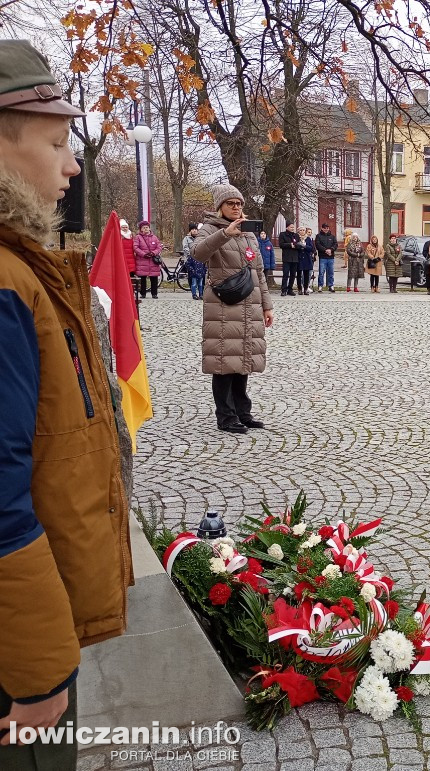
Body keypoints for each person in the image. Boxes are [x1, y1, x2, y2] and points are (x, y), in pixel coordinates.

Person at [0, 40, 131, 769]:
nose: (72, 164)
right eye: (55, 143)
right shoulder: (4, 282)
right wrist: (39, 667)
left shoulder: (20, 267)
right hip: (18, 650)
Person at [192, 184, 274, 433]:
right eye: (231, 204)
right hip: (225, 305)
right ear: (220, 206)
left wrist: (267, 306)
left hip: (249, 304)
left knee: (243, 360)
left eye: (239, 203)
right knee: (224, 362)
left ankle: (242, 413)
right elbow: (197, 254)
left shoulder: (248, 233)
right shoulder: (209, 228)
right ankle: (226, 417)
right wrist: (225, 233)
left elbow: (258, 272)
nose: (236, 208)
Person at [133, 220, 163, 298]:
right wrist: (144, 254)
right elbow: (135, 247)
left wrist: (153, 253)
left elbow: (159, 247)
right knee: (143, 278)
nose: (146, 229)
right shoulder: (138, 237)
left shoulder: (154, 237)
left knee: (154, 278)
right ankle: (143, 293)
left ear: (149, 228)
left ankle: (154, 293)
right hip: (142, 261)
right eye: (144, 227)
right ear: (141, 229)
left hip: (153, 261)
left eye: (147, 227)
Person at [278, 222, 300, 297]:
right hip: (287, 257)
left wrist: (296, 246)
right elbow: (281, 244)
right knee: (286, 274)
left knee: (293, 274)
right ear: (287, 227)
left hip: (295, 257)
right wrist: (289, 245)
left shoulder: (296, 235)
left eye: (293, 227)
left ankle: (290, 289)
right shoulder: (283, 234)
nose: (292, 229)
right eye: (291, 227)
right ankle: (284, 290)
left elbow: (299, 244)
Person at [314, 223, 337, 293]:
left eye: (327, 228)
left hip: (331, 257)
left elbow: (335, 244)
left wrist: (331, 249)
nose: (326, 229)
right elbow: (318, 245)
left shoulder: (332, 236)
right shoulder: (318, 236)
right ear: (322, 228)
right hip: (322, 257)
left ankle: (331, 285)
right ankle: (320, 286)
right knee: (321, 272)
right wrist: (325, 250)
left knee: (331, 272)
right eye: (324, 228)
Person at [297, 227, 315, 295]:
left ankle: (305, 288)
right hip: (299, 258)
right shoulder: (297, 238)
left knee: (306, 274)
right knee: (299, 274)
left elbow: (312, 248)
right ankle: (299, 289)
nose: (302, 231)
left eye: (303, 230)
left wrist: (305, 246)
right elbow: (295, 246)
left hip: (307, 258)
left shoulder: (308, 239)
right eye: (300, 230)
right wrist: (300, 245)